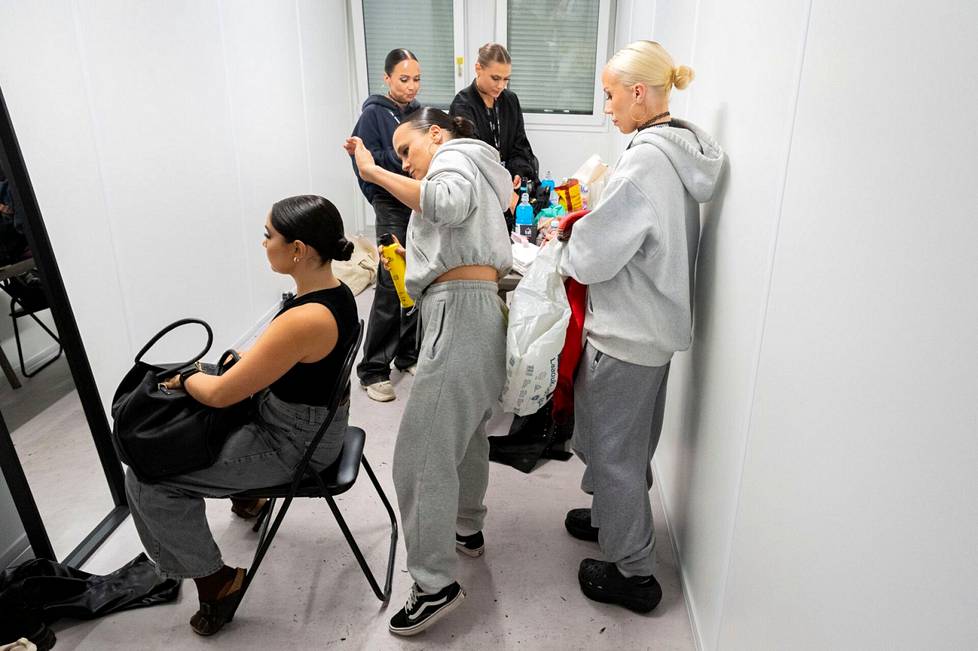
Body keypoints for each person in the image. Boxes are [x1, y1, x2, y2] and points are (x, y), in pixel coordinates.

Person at [125, 195, 359, 637]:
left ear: (299, 250)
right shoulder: (335, 294)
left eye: (269, 235)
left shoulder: (304, 318)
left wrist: (189, 377)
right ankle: (248, 496)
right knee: (217, 377)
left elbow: (216, 396)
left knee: (148, 477)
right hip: (308, 420)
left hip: (294, 443)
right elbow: (277, 358)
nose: (263, 242)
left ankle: (217, 582)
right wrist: (226, 367)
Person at [554, 41, 723, 612]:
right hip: (655, 329)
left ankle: (634, 573)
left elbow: (596, 257)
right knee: (627, 447)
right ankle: (608, 518)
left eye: (608, 95)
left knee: (614, 454)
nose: (606, 107)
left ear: (638, 93)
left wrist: (569, 238)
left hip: (626, 337)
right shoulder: (679, 150)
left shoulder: (646, 159)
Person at [344, 107, 512, 636]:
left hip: (460, 311)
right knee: (463, 439)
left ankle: (434, 584)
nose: (406, 163)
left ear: (435, 133)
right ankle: (466, 529)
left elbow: (444, 202)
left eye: (408, 150)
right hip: (476, 307)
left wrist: (372, 172)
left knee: (418, 455)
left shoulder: (455, 156)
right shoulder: (483, 164)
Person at [350, 48, 422, 403]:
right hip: (391, 203)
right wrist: (402, 157)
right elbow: (367, 163)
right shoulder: (373, 115)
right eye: (404, 79)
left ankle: (408, 354)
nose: (411, 87)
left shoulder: (418, 114)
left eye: (416, 79)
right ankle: (373, 369)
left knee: (416, 278)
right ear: (388, 78)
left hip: (416, 202)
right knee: (391, 281)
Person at [450, 42, 538, 230]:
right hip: (481, 194)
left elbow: (519, 144)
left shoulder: (510, 100)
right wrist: (503, 186)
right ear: (478, 69)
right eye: (495, 78)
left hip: (508, 189)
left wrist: (517, 171)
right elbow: (472, 157)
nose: (501, 86)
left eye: (506, 79)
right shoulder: (463, 105)